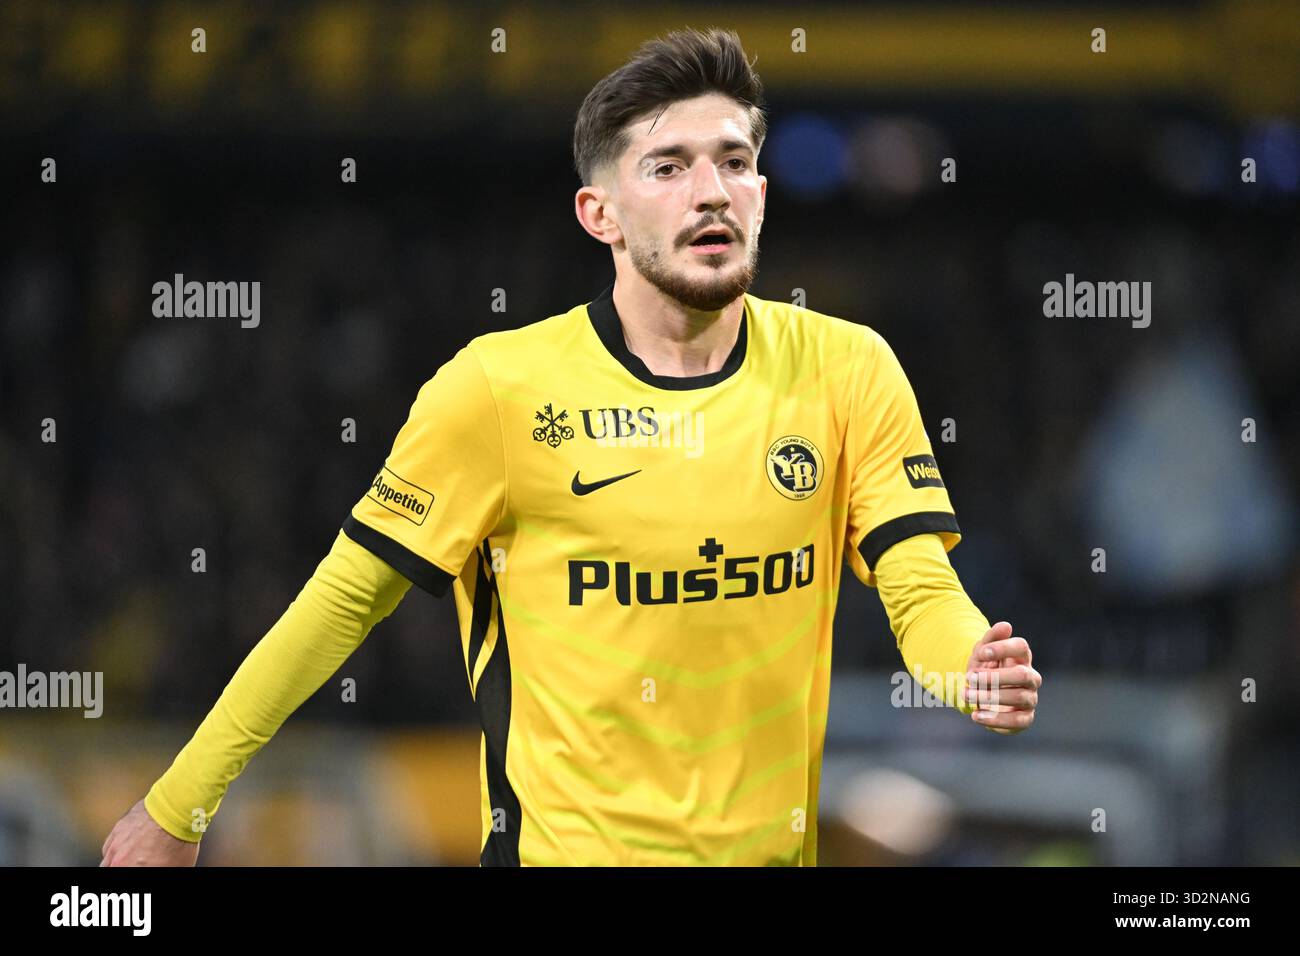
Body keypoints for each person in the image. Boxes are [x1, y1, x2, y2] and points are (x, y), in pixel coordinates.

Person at [101, 27, 1040, 868]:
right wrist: (182, 804)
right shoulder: (498, 389)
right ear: (601, 214)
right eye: (668, 167)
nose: (711, 191)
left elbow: (921, 591)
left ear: (761, 190)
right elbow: (340, 603)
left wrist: (971, 668)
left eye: (734, 161)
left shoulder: (848, 370)